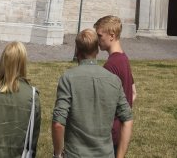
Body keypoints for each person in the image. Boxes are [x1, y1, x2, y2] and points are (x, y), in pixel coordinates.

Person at [52, 28, 133, 158]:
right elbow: (127, 119)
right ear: (97, 50)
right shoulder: (114, 80)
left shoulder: (68, 78)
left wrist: (57, 154)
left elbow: (58, 124)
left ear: (77, 51)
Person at [94, 15, 136, 155]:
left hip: (111, 134)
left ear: (111, 35)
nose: (97, 40)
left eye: (100, 35)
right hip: (121, 130)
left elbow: (102, 104)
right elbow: (134, 92)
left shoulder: (111, 65)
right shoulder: (123, 58)